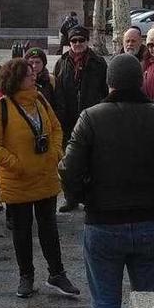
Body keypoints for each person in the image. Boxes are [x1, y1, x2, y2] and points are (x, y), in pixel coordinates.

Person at [59, 54, 154, 308]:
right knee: (150, 306)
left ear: (110, 83)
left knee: (105, 307)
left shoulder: (90, 118)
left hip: (103, 222)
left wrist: (83, 197)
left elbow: (68, 168)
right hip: (149, 221)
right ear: (140, 82)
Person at [0, 59, 79, 298]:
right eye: (28, 74)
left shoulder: (40, 100)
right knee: (22, 230)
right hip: (18, 179)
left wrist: (56, 151)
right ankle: (26, 276)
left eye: (33, 73)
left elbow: (56, 129)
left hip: (45, 176)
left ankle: (57, 273)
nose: (34, 76)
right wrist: (17, 164)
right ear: (16, 79)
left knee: (49, 227)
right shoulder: (0, 107)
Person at [53, 26, 108, 212]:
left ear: (87, 41)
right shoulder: (61, 62)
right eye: (74, 41)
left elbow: (104, 91)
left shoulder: (98, 62)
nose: (77, 44)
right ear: (69, 43)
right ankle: (71, 197)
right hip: (67, 118)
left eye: (81, 40)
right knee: (70, 162)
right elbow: (58, 92)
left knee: (93, 160)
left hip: (92, 118)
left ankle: (90, 196)